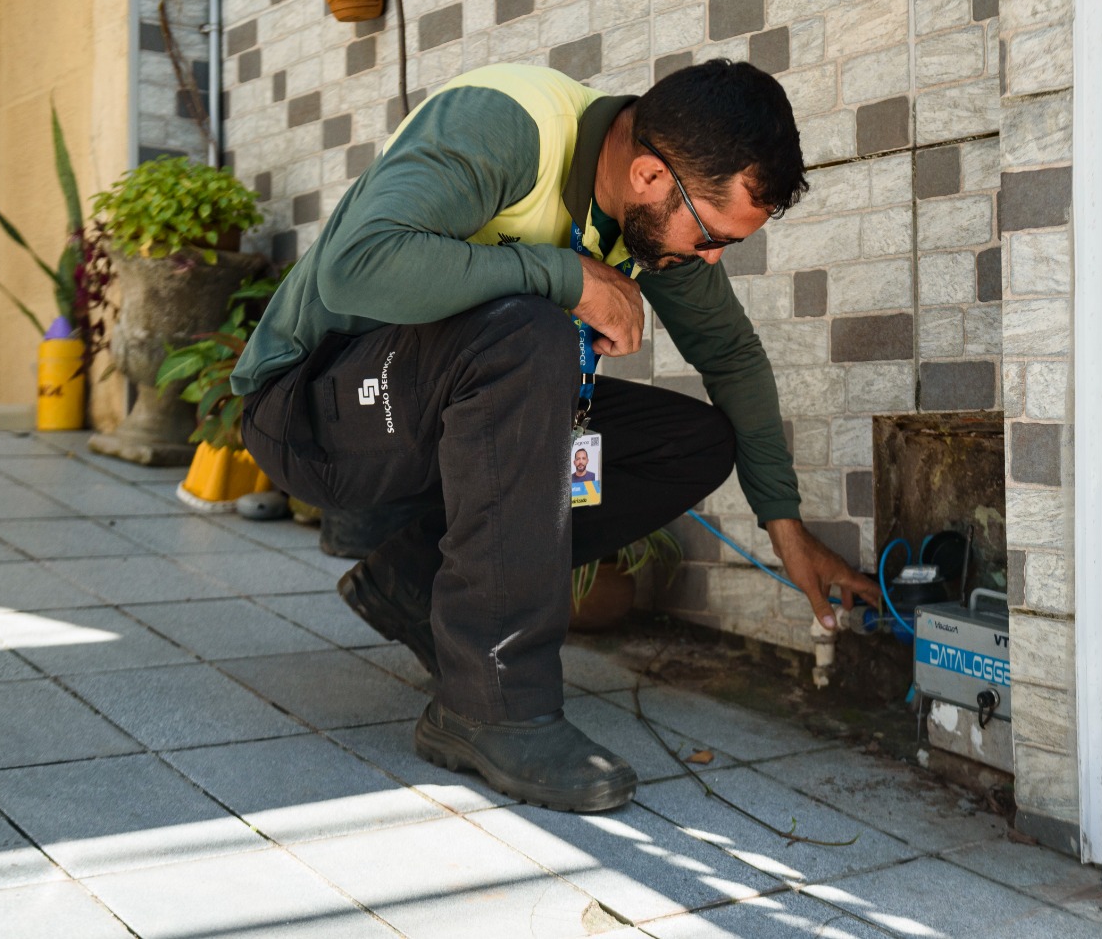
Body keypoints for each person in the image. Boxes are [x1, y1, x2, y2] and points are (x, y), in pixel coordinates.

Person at [233, 60, 884, 813]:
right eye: (712, 237)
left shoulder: (648, 219)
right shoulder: (506, 128)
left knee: (691, 443)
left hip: (428, 416)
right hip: (315, 410)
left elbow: (731, 356)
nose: (711, 259)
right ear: (648, 174)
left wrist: (786, 527)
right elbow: (356, 268)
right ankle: (491, 704)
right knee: (529, 332)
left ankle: (412, 583)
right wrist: (566, 277)